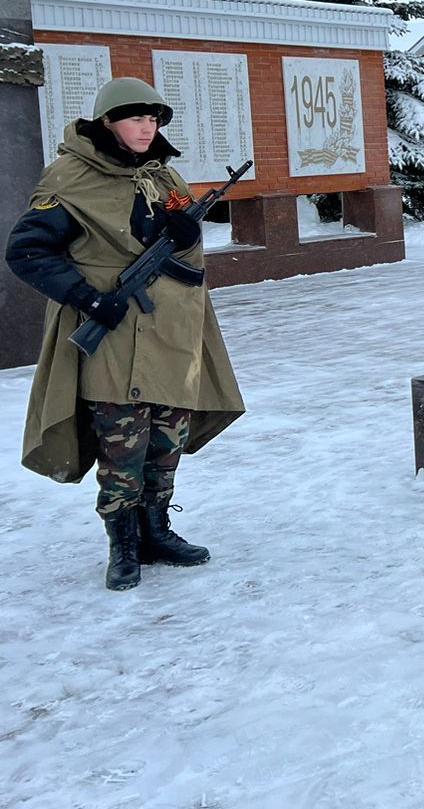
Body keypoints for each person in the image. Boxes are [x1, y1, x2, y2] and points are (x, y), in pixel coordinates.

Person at [5, 77, 245, 591]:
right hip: (111, 335)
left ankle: (156, 530)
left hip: (171, 334)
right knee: (123, 447)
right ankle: (124, 545)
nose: (147, 127)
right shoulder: (70, 179)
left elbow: (181, 250)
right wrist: (87, 297)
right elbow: (26, 253)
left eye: (153, 119)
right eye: (136, 118)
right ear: (108, 121)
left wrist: (186, 233)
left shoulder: (163, 177)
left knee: (167, 440)